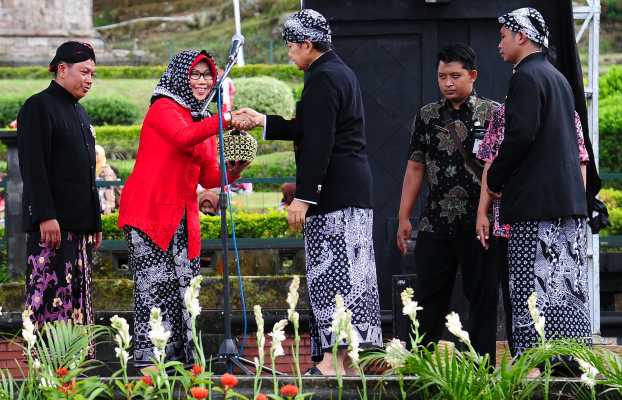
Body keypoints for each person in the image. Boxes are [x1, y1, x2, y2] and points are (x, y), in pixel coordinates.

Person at [234, 9, 382, 376]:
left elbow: (319, 142)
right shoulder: (338, 72)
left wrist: (304, 196)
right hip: (352, 192)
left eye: (290, 46)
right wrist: (263, 120)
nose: (288, 53)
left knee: (333, 276)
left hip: (333, 194)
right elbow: (311, 126)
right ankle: (347, 360)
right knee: (354, 275)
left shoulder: (323, 77)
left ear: (307, 44)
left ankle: (331, 360)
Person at [117, 49, 249, 367]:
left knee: (184, 296)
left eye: (207, 75)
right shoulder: (163, 108)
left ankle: (179, 365)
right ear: (180, 76)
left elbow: (209, 175)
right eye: (196, 74)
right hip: (150, 217)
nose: (203, 81)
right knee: (155, 293)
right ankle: (151, 367)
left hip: (181, 218)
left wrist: (237, 168)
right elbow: (181, 137)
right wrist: (227, 119)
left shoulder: (200, 119)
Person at [487, 7, 592, 359]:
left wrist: (495, 178)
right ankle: (571, 361)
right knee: (564, 287)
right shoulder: (558, 78)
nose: (499, 43)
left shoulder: (525, 77)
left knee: (529, 287)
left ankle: (532, 365)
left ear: (522, 36)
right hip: (567, 205)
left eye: (503, 36)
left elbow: (520, 135)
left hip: (535, 206)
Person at [396, 43, 499, 360]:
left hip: (479, 222)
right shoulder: (427, 116)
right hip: (435, 221)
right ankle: (420, 367)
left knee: (481, 298)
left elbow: (500, 168)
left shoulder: (493, 113)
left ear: (473, 75)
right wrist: (404, 217)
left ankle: (482, 367)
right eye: (442, 76)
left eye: (455, 75)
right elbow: (415, 165)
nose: (448, 83)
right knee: (427, 298)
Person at [476, 104, 589, 356]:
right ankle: (524, 359)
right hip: (509, 221)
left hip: (556, 221)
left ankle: (562, 357)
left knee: (560, 291)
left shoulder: (567, 114)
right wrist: (482, 211)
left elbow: (581, 160)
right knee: (516, 297)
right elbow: (490, 163)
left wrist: (578, 206)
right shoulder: (503, 115)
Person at [17, 41, 102, 330]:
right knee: (48, 307)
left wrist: (95, 221)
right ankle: (45, 373)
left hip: (79, 231)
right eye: (84, 72)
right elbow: (33, 166)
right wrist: (45, 215)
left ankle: (72, 374)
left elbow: (88, 172)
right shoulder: (38, 106)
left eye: (92, 74)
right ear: (62, 69)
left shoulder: (79, 113)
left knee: (77, 313)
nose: (89, 79)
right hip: (51, 231)